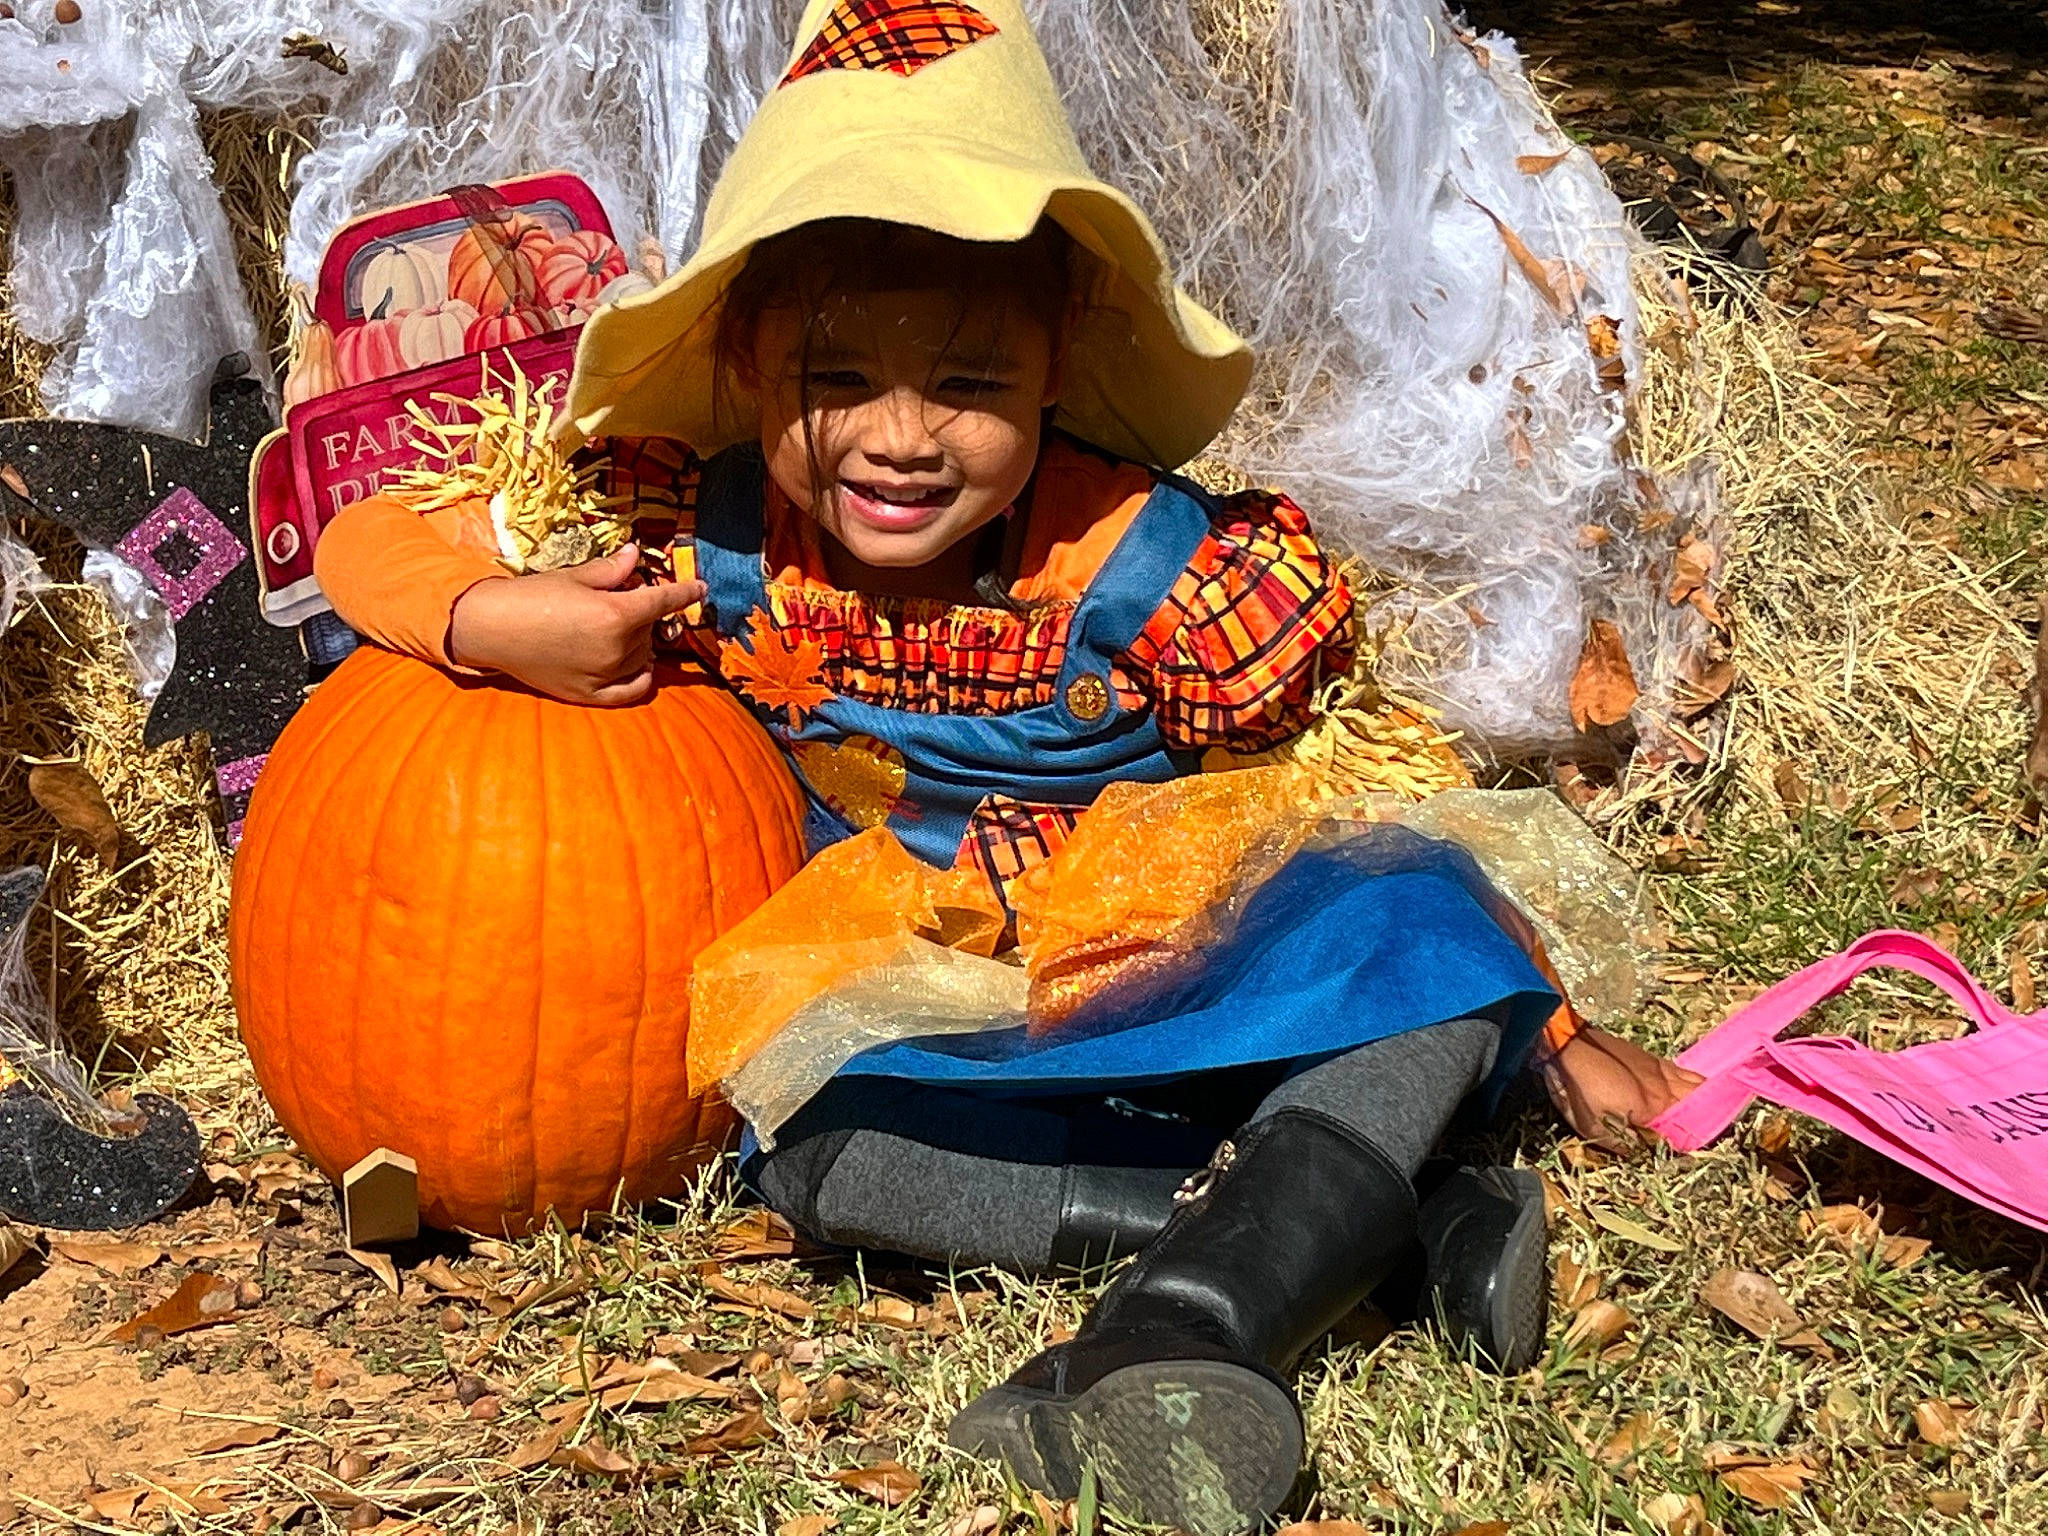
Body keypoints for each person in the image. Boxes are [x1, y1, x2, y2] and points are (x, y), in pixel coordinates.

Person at [315, 1, 1698, 1528]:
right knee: (812, 1146)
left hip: (1172, 953)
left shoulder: (1158, 567)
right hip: (914, 982)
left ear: (1055, 366)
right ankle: (1368, 1225)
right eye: (836, 376)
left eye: (968, 386)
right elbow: (365, 533)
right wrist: (487, 610)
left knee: (1399, 916)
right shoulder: (693, 528)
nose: (900, 439)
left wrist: (1532, 1007)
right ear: (748, 354)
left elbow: (1359, 770)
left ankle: (1196, 1317)